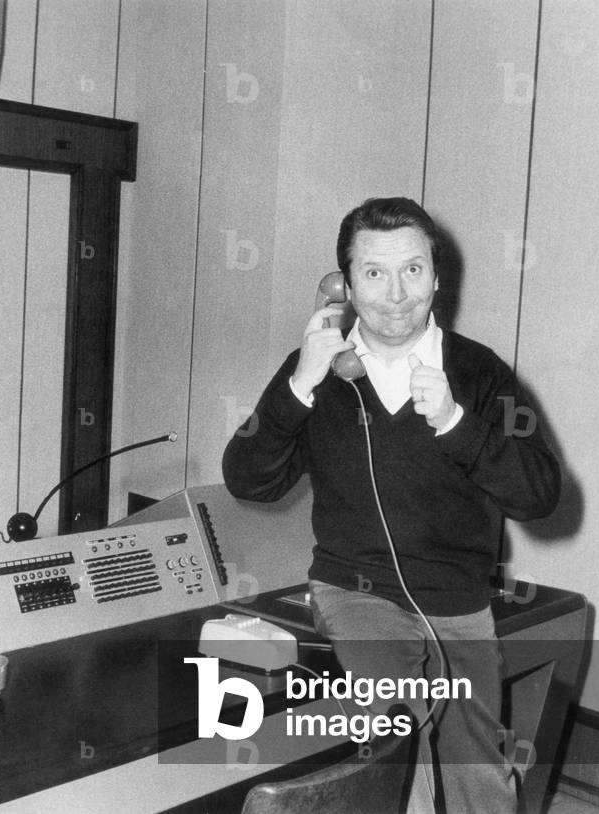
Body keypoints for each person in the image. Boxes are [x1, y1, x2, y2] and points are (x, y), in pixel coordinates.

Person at [221, 197, 560, 814]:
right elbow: (248, 479)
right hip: (358, 592)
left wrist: (460, 424)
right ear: (345, 286)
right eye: (374, 273)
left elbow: (539, 493)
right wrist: (299, 385)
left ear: (437, 275)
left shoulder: (481, 374)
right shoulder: (318, 374)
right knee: (397, 735)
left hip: (458, 601)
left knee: (479, 776)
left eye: (414, 270)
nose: (397, 293)